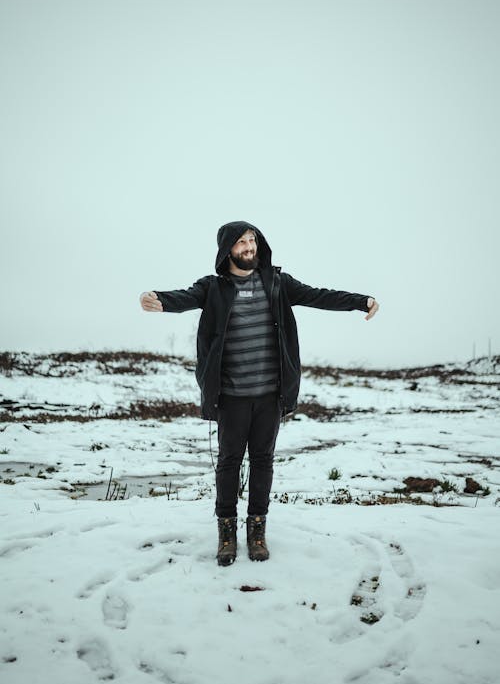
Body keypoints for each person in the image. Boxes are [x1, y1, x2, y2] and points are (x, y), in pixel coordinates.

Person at [140, 221, 379, 566]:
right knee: (228, 462)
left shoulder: (278, 283)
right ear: (227, 250)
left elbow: (320, 295)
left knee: (263, 462)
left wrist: (360, 301)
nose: (249, 247)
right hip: (232, 397)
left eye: (253, 240)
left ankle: (256, 530)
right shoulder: (213, 288)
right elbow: (185, 297)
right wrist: (159, 300)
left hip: (270, 395)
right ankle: (226, 533)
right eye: (242, 242)